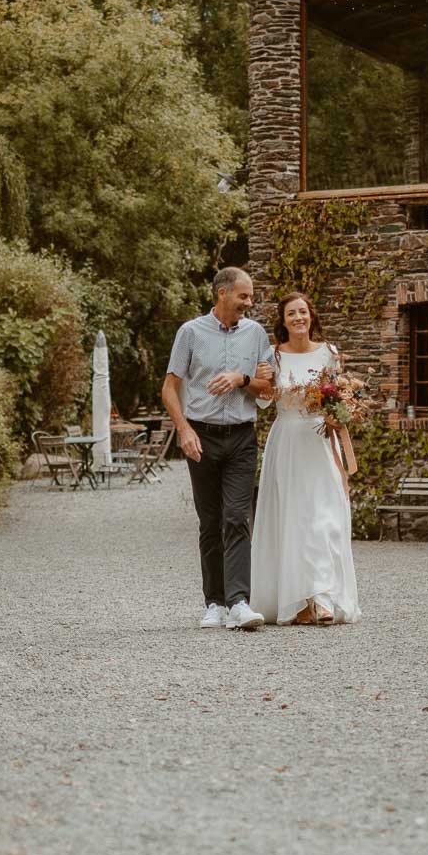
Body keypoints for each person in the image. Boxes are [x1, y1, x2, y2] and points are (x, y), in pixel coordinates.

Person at [162, 267, 275, 631]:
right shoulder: (190, 333)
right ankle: (214, 603)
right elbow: (169, 387)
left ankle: (239, 602)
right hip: (202, 438)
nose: (250, 302)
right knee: (210, 522)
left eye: (251, 296)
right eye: (244, 295)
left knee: (236, 517)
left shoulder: (256, 334)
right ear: (222, 293)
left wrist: (242, 380)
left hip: (242, 436)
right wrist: (184, 430)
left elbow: (267, 389)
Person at [249, 292, 361, 626]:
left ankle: (324, 598)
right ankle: (298, 601)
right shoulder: (273, 357)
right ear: (283, 322)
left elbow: (340, 397)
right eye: (291, 314)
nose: (298, 318)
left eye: (303, 312)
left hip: (320, 443)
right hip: (287, 443)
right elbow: (265, 403)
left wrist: (341, 412)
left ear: (311, 316)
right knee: (293, 519)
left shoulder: (329, 353)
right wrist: (261, 381)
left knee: (325, 518)